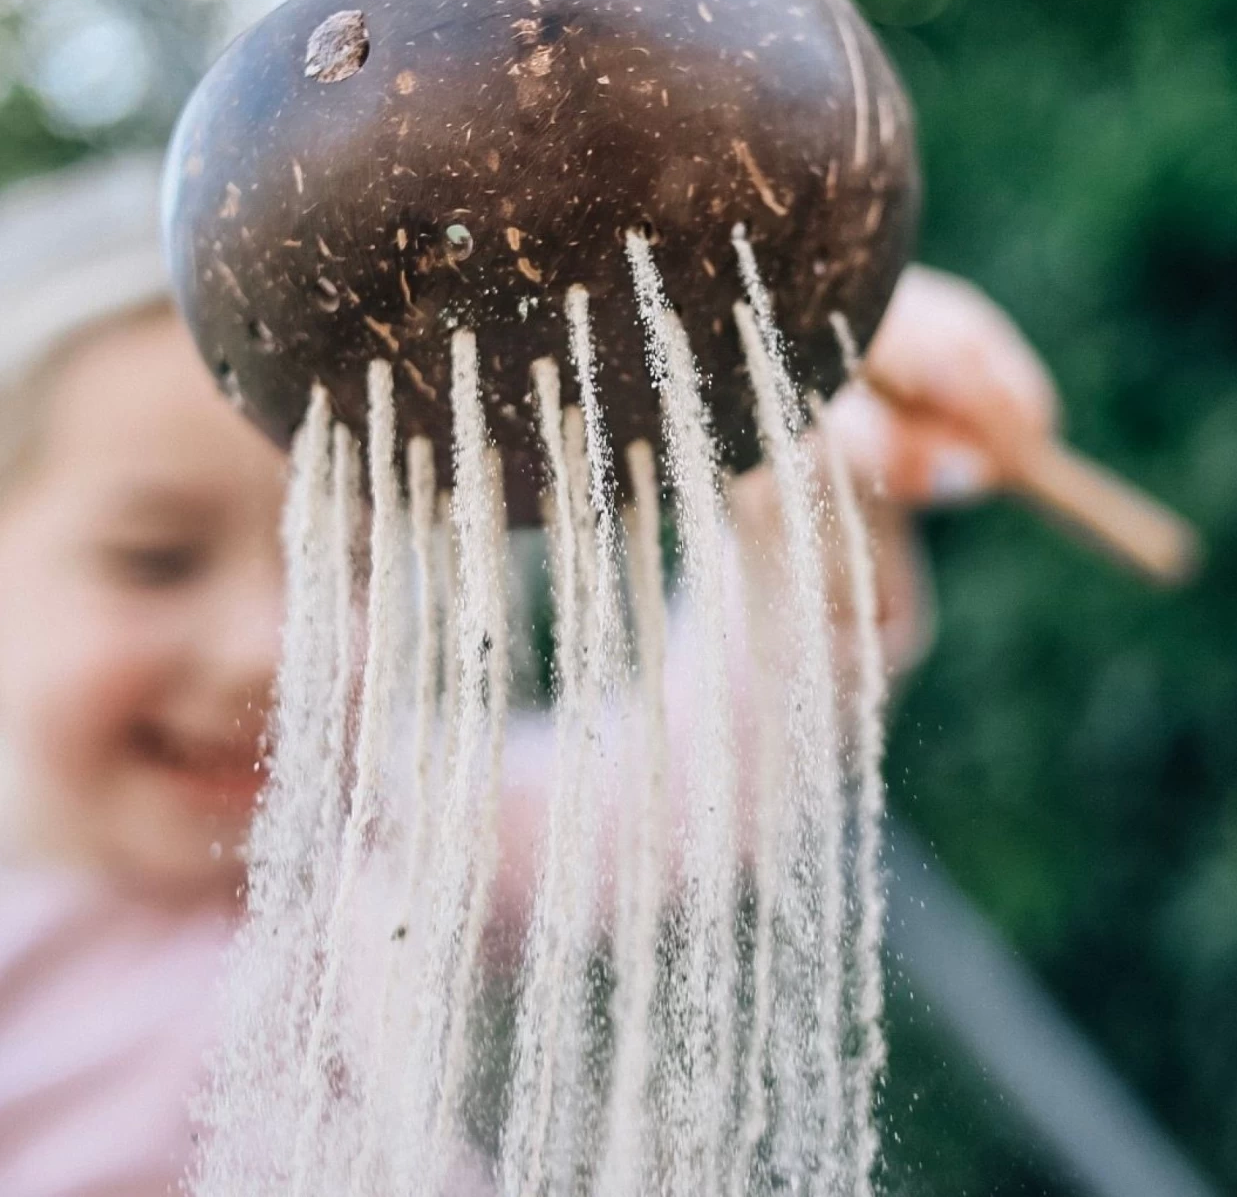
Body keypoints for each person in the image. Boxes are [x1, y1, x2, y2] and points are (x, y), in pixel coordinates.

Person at [0, 154, 1057, 1197]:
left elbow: (690, 778)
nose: (274, 647)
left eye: (351, 567)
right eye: (155, 559)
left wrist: (817, 434)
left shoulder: (378, 829)